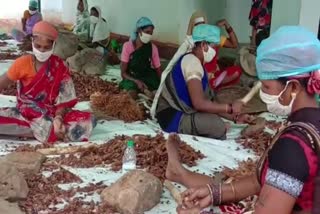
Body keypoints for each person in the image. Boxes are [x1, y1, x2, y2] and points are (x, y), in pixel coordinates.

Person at [165, 26, 320, 214]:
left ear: (293, 88)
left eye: (266, 86)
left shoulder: (293, 145)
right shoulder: (309, 121)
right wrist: (215, 193)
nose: (262, 93)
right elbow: (259, 179)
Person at [0, 21, 96, 143]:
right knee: (45, 124)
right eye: (38, 46)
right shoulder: (22, 63)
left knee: (89, 120)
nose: (42, 51)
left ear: (53, 45)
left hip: (51, 113)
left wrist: (58, 118)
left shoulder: (59, 65)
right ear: (32, 42)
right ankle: (47, 130)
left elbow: (64, 100)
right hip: (26, 111)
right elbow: (1, 83)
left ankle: (37, 130)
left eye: (46, 47)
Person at [153, 24, 250, 140]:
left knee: (215, 121)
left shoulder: (198, 63)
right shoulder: (192, 63)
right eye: (214, 46)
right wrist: (229, 107)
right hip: (172, 117)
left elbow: (208, 102)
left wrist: (235, 117)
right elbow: (199, 104)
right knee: (217, 126)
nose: (215, 51)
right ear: (204, 45)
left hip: (182, 111)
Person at [119, 17, 162, 98]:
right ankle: (139, 90)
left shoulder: (153, 48)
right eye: (147, 32)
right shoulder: (127, 46)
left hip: (147, 76)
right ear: (139, 31)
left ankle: (147, 91)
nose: (149, 35)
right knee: (131, 95)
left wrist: (162, 84)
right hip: (131, 77)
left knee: (157, 94)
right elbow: (123, 73)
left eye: (151, 33)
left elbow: (158, 70)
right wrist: (136, 81)